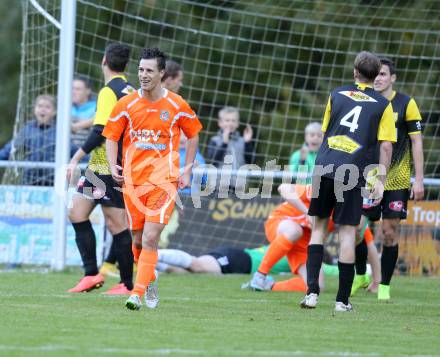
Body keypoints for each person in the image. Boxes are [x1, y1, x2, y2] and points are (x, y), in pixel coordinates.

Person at [103, 47, 203, 311]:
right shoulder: (126, 104)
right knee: (137, 241)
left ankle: (136, 292)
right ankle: (149, 279)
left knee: (150, 239)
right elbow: (111, 136)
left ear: (161, 73)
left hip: (164, 182)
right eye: (140, 70)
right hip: (133, 184)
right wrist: (114, 166)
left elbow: (193, 134)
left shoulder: (176, 104)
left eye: (149, 70)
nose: (143, 75)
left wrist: (188, 168)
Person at [301, 51, 396, 312]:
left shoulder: (336, 94)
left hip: (325, 166)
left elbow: (324, 133)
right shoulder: (382, 105)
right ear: (376, 75)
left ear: (355, 72)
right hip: (352, 171)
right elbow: (386, 147)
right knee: (346, 233)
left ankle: (311, 293)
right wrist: (380, 179)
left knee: (318, 229)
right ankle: (342, 301)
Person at [66, 43, 135, 295]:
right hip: (103, 166)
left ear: (104, 60)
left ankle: (127, 284)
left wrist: (75, 157)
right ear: (126, 66)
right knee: (76, 212)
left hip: (107, 165)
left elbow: (101, 130)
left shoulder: (108, 91)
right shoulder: (129, 89)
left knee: (116, 224)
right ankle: (91, 274)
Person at [361, 58, 424, 300]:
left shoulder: (406, 103)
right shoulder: (364, 101)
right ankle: (360, 275)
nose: (378, 78)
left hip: (396, 180)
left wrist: (418, 180)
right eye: (375, 74)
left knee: (389, 232)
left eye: (383, 74)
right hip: (367, 177)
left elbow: (417, 142)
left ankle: (384, 287)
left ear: (392, 78)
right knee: (356, 228)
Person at [0, 94, 58, 186]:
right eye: (40, 106)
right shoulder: (27, 130)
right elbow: (9, 149)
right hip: (29, 180)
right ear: (34, 109)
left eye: (47, 107)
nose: (43, 109)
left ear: (54, 111)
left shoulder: (59, 131)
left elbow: (74, 151)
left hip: (53, 181)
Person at [207, 106, 255, 173]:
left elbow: (251, 162)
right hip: (218, 182)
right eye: (227, 120)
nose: (230, 123)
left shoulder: (242, 141)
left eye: (233, 121)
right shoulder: (214, 140)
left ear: (237, 123)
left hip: (239, 182)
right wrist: (224, 143)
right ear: (220, 123)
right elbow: (213, 162)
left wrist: (247, 143)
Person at [71, 75, 96, 148]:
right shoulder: (66, 107)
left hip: (86, 150)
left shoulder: (96, 107)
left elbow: (101, 121)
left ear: (88, 91)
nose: (73, 92)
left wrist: (77, 125)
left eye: (78, 89)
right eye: (72, 88)